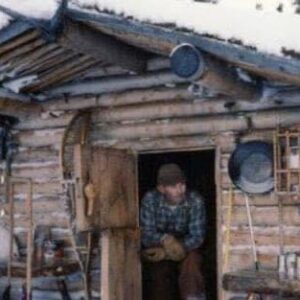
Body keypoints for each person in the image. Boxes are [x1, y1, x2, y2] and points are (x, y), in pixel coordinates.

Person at [140, 163, 206, 300]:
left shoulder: (195, 200)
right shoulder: (150, 199)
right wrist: (165, 240)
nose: (180, 189)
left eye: (182, 184)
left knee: (192, 266)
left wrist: (178, 248)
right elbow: (146, 234)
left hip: (187, 246)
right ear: (161, 188)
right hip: (160, 246)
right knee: (158, 274)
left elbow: (198, 236)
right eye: (173, 186)